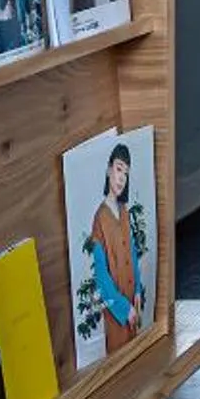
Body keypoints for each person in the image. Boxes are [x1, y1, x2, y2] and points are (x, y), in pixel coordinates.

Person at [83, 142, 146, 348]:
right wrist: (123, 308)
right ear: (109, 169)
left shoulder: (125, 211)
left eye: (125, 173)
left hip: (132, 303)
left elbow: (133, 254)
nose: (121, 178)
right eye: (119, 169)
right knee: (120, 356)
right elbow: (101, 277)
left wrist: (137, 289)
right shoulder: (100, 218)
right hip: (117, 310)